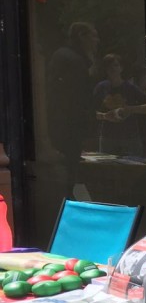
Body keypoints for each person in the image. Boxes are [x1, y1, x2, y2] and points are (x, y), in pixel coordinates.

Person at [47, 22, 100, 193]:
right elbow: (77, 97)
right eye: (93, 36)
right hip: (70, 125)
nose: (97, 40)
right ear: (82, 37)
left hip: (66, 124)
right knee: (71, 168)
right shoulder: (73, 60)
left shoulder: (68, 57)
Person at [93, 53, 146, 157]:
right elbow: (89, 111)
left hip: (130, 137)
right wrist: (104, 116)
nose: (113, 68)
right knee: (107, 169)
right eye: (109, 66)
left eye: (116, 65)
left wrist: (131, 109)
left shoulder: (130, 88)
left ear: (121, 68)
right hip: (108, 137)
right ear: (105, 69)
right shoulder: (101, 87)